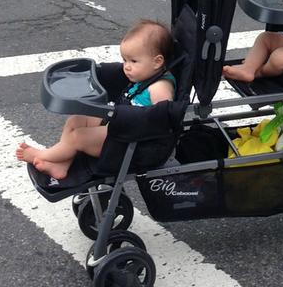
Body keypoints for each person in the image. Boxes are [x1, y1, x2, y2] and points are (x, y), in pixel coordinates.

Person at [16, 19, 175, 180]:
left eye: (133, 61)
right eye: (125, 60)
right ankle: (62, 164)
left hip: (131, 139)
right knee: (76, 120)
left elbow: (162, 120)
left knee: (78, 136)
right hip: (119, 122)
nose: (126, 66)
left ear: (157, 62)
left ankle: (45, 155)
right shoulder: (145, 75)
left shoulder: (159, 87)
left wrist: (124, 117)